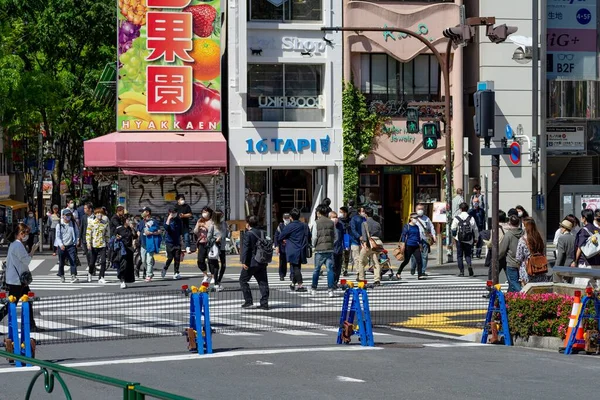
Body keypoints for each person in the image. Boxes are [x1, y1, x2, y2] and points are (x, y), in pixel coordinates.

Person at [0, 223, 41, 331]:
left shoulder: (14, 244)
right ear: (21, 233)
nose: (27, 235)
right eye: (26, 233)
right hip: (17, 280)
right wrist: (32, 250)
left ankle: (31, 325)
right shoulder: (18, 245)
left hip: (16, 279)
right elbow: (27, 260)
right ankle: (31, 325)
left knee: (25, 300)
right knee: (12, 304)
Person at [239, 216, 270, 309]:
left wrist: (244, 261)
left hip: (251, 262)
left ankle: (248, 301)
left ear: (248, 224)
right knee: (263, 282)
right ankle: (264, 303)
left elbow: (246, 249)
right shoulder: (263, 232)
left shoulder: (248, 234)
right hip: (262, 260)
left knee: (243, 280)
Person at [279, 208, 309, 292]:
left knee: (295, 267)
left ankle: (300, 285)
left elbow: (281, 236)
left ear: (291, 217)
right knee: (297, 266)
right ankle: (293, 283)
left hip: (292, 249)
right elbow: (308, 236)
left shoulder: (289, 226)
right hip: (302, 248)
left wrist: (285, 240)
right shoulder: (304, 225)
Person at [311, 205, 337, 297]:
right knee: (330, 270)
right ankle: (330, 290)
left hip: (319, 250)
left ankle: (314, 288)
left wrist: (313, 245)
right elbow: (335, 236)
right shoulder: (331, 222)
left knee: (316, 270)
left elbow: (314, 237)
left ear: (319, 212)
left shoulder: (316, 223)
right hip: (329, 249)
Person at [516, 217, 549, 286]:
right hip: (540, 269)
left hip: (528, 270)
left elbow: (519, 257)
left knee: (528, 294)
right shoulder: (539, 238)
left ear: (525, 227)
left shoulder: (522, 240)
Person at [571, 209, 600, 286]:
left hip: (585, 263)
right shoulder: (598, 230)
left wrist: (575, 261)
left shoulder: (583, 231)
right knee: (596, 288)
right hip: (597, 263)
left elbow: (580, 247)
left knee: (582, 287)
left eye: (581, 217)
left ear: (584, 218)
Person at [451, 202, 479, 277]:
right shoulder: (471, 218)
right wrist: (476, 238)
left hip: (459, 239)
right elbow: (475, 229)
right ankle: (469, 265)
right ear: (467, 209)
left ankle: (461, 272)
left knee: (459, 255)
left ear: (460, 209)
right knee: (468, 255)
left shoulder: (457, 218)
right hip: (468, 239)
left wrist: (454, 237)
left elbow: (453, 229)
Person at [357, 207, 383, 285]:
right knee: (376, 262)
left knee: (361, 261)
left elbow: (364, 236)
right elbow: (380, 234)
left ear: (366, 214)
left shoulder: (364, 223)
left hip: (368, 245)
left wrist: (364, 244)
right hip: (375, 244)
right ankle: (377, 280)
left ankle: (361, 278)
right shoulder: (377, 223)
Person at [499, 215, 524, 292]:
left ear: (510, 223)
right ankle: (509, 300)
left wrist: (497, 257)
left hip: (511, 262)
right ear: (519, 223)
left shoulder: (508, 235)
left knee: (513, 282)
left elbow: (502, 250)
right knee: (513, 284)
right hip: (522, 262)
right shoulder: (523, 233)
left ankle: (523, 295)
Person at [396, 213, 424, 280]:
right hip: (408, 245)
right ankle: (398, 272)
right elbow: (403, 235)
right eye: (414, 218)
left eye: (417, 218)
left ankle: (420, 275)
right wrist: (403, 245)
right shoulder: (407, 226)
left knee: (419, 260)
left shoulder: (417, 227)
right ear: (411, 218)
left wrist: (420, 245)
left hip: (416, 245)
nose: (416, 219)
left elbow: (418, 236)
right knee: (406, 261)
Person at [86, 208, 110, 284]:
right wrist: (88, 243)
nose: (99, 215)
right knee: (92, 262)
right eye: (97, 213)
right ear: (95, 214)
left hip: (102, 244)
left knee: (103, 261)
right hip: (94, 245)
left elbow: (107, 234)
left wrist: (108, 242)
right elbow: (88, 233)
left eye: (101, 213)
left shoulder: (105, 223)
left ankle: (101, 277)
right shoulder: (91, 223)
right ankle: (90, 273)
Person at [55, 209, 80, 283]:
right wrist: (61, 244)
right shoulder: (59, 224)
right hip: (62, 246)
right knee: (61, 262)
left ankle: (73, 275)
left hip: (71, 245)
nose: (68, 217)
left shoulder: (73, 223)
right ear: (63, 216)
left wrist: (76, 241)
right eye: (66, 215)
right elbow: (57, 236)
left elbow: (76, 233)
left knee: (73, 260)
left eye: (69, 215)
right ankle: (62, 276)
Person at [137, 207, 161, 282]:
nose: (142, 213)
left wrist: (151, 233)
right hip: (143, 243)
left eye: (143, 211)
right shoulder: (141, 222)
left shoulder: (153, 221)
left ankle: (149, 274)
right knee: (143, 260)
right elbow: (138, 230)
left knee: (149, 260)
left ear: (147, 212)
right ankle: (149, 272)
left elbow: (159, 231)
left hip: (150, 243)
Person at [412, 203, 436, 276]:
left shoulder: (426, 218)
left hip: (425, 239)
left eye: (422, 209)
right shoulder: (413, 218)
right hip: (415, 239)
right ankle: (413, 267)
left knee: (424, 256)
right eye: (419, 209)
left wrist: (434, 236)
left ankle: (422, 271)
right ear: (415, 210)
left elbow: (431, 227)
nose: (420, 210)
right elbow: (408, 227)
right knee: (414, 256)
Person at [485, 210, 509, 281]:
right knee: (509, 275)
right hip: (507, 254)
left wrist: (488, 244)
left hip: (497, 254)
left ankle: (490, 288)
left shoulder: (496, 228)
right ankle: (513, 291)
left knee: (492, 275)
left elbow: (492, 241)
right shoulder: (509, 227)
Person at [207, 210, 228, 290]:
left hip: (222, 247)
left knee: (224, 265)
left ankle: (218, 281)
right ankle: (216, 283)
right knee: (216, 266)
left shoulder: (224, 224)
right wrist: (216, 239)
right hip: (215, 247)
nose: (223, 216)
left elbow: (227, 234)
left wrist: (229, 231)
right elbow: (208, 237)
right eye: (221, 215)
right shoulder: (212, 225)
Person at [162, 206, 183, 280]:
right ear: (169, 212)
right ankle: (165, 268)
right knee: (170, 258)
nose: (174, 214)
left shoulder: (178, 220)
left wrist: (181, 241)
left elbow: (180, 231)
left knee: (177, 258)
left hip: (177, 242)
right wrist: (169, 218)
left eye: (175, 212)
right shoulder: (166, 219)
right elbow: (166, 227)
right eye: (172, 212)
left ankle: (176, 272)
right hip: (169, 242)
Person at [194, 207, 214, 284]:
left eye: (206, 212)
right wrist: (198, 226)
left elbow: (212, 231)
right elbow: (195, 232)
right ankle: (205, 275)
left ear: (209, 213)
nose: (204, 213)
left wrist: (205, 226)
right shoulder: (200, 220)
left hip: (210, 243)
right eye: (203, 212)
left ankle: (213, 276)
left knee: (211, 260)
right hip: (201, 242)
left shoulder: (212, 221)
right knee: (200, 260)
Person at [113, 220, 135, 288]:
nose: (130, 222)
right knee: (123, 264)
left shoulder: (130, 229)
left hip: (129, 249)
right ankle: (122, 280)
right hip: (122, 249)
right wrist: (117, 237)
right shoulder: (119, 228)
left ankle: (125, 280)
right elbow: (114, 236)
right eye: (128, 220)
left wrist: (132, 228)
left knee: (129, 266)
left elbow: (135, 236)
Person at [349, 207, 366, 277]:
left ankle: (361, 270)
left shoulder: (364, 219)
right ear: (359, 212)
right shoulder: (355, 219)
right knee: (357, 257)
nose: (364, 212)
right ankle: (359, 272)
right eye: (363, 211)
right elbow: (353, 229)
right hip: (355, 240)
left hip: (361, 241)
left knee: (363, 257)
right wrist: (359, 236)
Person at [274, 213, 291, 281]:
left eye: (288, 218)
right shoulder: (280, 226)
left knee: (292, 262)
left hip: (291, 246)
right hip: (282, 247)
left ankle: (292, 275)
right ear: (283, 219)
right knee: (282, 262)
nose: (286, 219)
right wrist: (277, 246)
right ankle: (282, 275)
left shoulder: (292, 225)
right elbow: (276, 236)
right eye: (285, 218)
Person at [330, 211, 345, 286]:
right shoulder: (328, 226)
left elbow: (343, 235)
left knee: (338, 266)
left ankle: (335, 281)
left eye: (336, 217)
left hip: (339, 249)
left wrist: (345, 245)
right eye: (333, 217)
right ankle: (332, 282)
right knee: (332, 266)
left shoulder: (340, 225)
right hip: (331, 249)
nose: (335, 219)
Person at [338, 206, 351, 277]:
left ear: (345, 213)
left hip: (347, 239)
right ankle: (341, 269)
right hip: (340, 240)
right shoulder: (338, 220)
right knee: (341, 256)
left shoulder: (350, 220)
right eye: (340, 212)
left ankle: (345, 269)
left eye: (341, 212)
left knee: (346, 256)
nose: (340, 214)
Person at [80, 202, 93, 268]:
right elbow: (81, 228)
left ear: (90, 209)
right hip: (85, 239)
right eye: (84, 208)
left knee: (91, 254)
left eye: (85, 208)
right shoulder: (83, 217)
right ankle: (91, 268)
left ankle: (92, 267)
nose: (84, 210)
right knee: (88, 254)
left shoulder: (95, 217)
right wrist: (79, 239)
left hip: (93, 239)